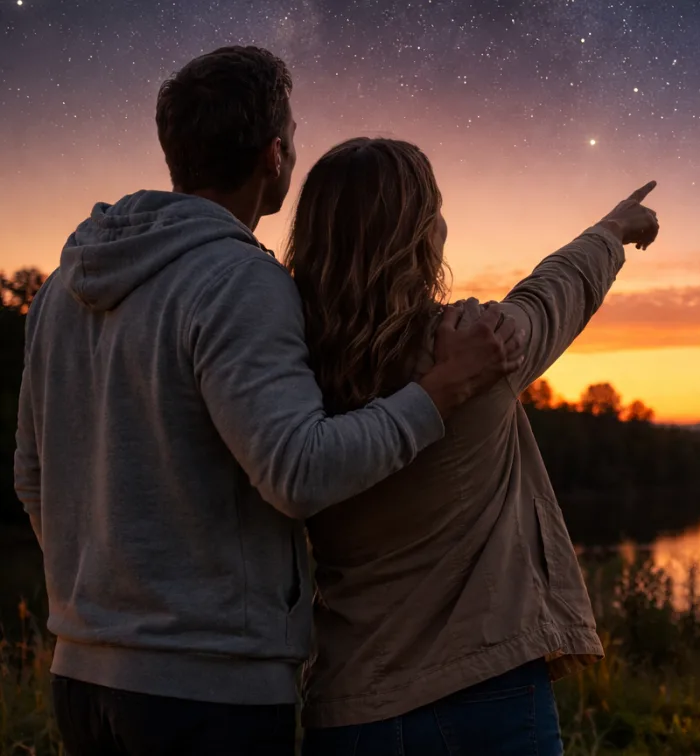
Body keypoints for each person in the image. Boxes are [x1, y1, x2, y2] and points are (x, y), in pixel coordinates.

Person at [12, 47, 524, 756]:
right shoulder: (238, 280)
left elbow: (32, 475)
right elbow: (300, 472)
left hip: (82, 680)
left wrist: (106, 593)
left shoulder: (61, 295)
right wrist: (441, 392)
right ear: (275, 156)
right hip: (207, 693)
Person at [285, 137, 658, 755]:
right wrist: (612, 230)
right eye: (435, 210)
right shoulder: (475, 345)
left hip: (351, 707)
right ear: (419, 236)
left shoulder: (288, 372)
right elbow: (553, 296)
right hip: (487, 693)